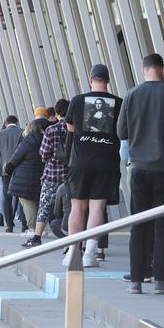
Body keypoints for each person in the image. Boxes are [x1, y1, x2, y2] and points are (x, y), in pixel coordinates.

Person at [117, 54, 164, 294]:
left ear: (144, 69)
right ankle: (160, 281)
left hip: (138, 169)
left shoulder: (131, 95)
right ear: (163, 70)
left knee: (139, 225)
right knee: (163, 225)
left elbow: (121, 132)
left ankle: (136, 280)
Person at [65, 64, 122, 268]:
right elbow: (122, 131)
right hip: (106, 161)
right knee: (97, 206)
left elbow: (70, 129)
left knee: (77, 207)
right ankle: (90, 254)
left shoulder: (78, 101)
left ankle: (73, 252)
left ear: (91, 80)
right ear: (108, 80)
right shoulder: (119, 103)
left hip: (80, 162)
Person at [22, 99, 70, 248]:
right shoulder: (74, 129)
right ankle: (71, 238)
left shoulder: (51, 130)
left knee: (44, 206)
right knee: (69, 208)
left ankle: (37, 237)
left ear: (56, 113)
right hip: (70, 176)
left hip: (51, 175)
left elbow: (43, 153)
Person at [6, 121, 45, 232]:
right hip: (39, 175)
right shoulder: (45, 140)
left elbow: (15, 159)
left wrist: (8, 169)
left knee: (27, 203)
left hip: (24, 177)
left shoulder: (27, 142)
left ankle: (33, 229)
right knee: (36, 202)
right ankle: (39, 227)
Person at [0, 116, 24, 233]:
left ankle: (9, 226)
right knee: (21, 197)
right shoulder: (22, 133)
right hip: (20, 170)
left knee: (7, 197)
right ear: (16, 122)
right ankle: (24, 225)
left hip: (5, 171)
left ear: (6, 123)